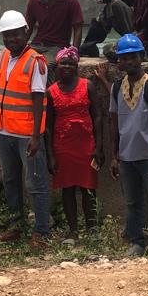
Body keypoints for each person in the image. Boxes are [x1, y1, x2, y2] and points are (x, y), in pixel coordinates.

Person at [0, 11, 52, 249]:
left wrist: (36, 136)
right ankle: (16, 226)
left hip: (27, 135)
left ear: (26, 32)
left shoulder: (35, 62)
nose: (11, 39)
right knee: (11, 181)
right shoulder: (4, 56)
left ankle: (41, 232)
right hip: (5, 132)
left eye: (15, 34)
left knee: (35, 184)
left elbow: (38, 99)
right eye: (6, 35)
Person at [109, 33, 148, 257]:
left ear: (141, 57)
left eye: (132, 57)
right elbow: (114, 123)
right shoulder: (116, 87)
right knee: (132, 202)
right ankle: (137, 241)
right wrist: (114, 156)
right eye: (124, 58)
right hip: (126, 157)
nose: (128, 62)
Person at [45, 46, 102, 234]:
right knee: (67, 189)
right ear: (57, 66)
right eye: (63, 63)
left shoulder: (88, 86)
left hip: (86, 146)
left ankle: (92, 229)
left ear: (77, 66)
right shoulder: (51, 92)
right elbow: (48, 126)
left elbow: (97, 117)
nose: (67, 66)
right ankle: (73, 230)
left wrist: (99, 147)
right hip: (63, 148)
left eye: (71, 63)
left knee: (89, 188)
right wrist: (51, 156)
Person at [25, 0, 84, 65]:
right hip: (37, 44)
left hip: (58, 46)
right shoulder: (34, 0)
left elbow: (78, 27)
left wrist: (74, 50)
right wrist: (21, 47)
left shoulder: (70, 0)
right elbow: (28, 28)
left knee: (46, 65)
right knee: (21, 61)